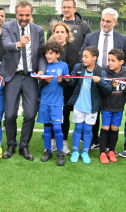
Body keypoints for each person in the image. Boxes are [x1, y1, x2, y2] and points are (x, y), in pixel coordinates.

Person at [1, 1, 47, 161]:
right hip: (12, 75)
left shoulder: (38, 30)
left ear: (31, 14)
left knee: (30, 113)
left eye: (27, 15)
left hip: (30, 77)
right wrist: (19, 44)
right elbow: (6, 45)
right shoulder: (7, 27)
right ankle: (11, 144)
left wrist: (41, 70)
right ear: (16, 13)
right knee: (11, 114)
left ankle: (24, 146)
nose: (24, 18)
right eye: (21, 15)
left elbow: (42, 54)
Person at [81, 8, 126, 150]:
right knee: (94, 108)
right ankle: (94, 140)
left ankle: (109, 144)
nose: (104, 23)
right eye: (103, 20)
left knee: (111, 109)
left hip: (114, 79)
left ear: (115, 22)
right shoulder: (90, 37)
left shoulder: (122, 38)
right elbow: (83, 56)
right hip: (94, 77)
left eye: (108, 21)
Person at [64, 46, 112, 164]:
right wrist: (68, 80)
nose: (83, 59)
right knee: (78, 128)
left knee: (88, 130)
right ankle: (76, 151)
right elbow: (73, 84)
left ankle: (85, 152)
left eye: (86, 57)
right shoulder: (78, 67)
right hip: (78, 106)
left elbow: (108, 90)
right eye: (82, 56)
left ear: (94, 58)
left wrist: (100, 80)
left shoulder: (101, 72)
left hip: (92, 108)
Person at [47, 22, 79, 155]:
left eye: (62, 32)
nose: (59, 34)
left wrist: (62, 75)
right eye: (57, 32)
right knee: (51, 115)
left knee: (64, 115)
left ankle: (64, 142)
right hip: (51, 87)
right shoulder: (49, 47)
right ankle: (53, 141)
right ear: (53, 34)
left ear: (67, 34)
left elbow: (73, 65)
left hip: (65, 87)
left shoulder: (72, 48)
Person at [37, 41, 69, 166]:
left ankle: (60, 152)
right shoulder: (43, 66)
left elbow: (67, 83)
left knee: (57, 128)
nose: (47, 56)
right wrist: (45, 81)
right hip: (45, 102)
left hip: (57, 103)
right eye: (46, 53)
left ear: (58, 54)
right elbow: (39, 85)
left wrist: (61, 81)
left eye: (50, 53)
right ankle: (47, 151)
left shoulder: (63, 65)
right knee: (46, 129)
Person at [99, 49, 126, 164]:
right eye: (109, 60)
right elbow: (102, 91)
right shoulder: (104, 72)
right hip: (107, 106)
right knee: (105, 128)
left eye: (113, 60)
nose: (110, 62)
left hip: (119, 106)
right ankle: (102, 152)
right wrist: (111, 87)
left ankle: (111, 151)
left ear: (121, 62)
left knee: (115, 129)